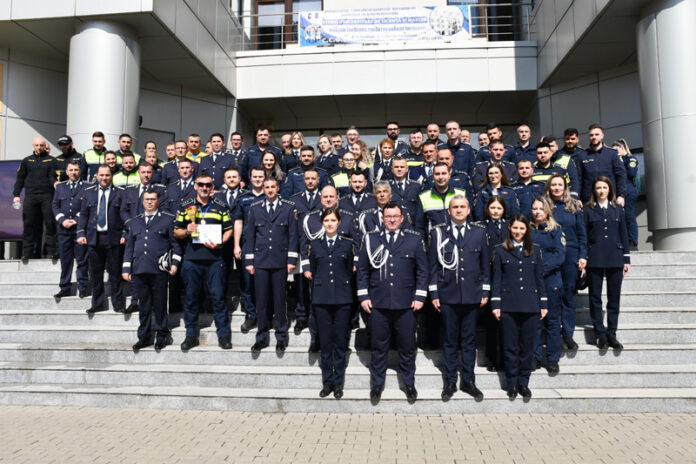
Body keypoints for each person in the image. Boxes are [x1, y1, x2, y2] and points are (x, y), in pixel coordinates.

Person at [357, 202, 428, 401]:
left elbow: (423, 271)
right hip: (378, 303)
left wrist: (419, 296)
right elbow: (362, 270)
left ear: (402, 218)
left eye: (396, 216)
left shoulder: (414, 239)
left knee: (407, 347)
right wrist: (364, 296)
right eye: (388, 216)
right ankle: (377, 384)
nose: (392, 220)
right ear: (382, 219)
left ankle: (409, 384)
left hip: (406, 304)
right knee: (378, 348)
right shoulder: (370, 239)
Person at [428, 195, 490, 401]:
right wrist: (434, 293)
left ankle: (469, 381)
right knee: (450, 339)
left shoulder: (479, 233)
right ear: (449, 211)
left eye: (463, 207)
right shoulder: (438, 233)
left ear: (469, 210)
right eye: (455, 207)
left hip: (472, 294)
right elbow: (433, 266)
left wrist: (485, 291)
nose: (459, 210)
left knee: (469, 340)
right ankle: (450, 381)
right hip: (448, 294)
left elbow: (484, 265)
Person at [173, 173, 234, 351]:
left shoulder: (220, 206)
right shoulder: (186, 206)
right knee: (192, 299)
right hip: (192, 259)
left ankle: (224, 336)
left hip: (215, 259)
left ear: (212, 187)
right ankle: (191, 335)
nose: (204, 188)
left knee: (219, 298)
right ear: (195, 186)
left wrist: (220, 242)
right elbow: (176, 231)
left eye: (208, 185)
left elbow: (229, 229)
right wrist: (187, 230)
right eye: (201, 184)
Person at [491, 213, 548, 400]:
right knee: (509, 347)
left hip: (530, 305)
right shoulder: (500, 250)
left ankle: (524, 383)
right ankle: (512, 383)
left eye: (522, 228)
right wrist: (496, 303)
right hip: (508, 304)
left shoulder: (535, 250)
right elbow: (497, 279)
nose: (518, 231)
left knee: (527, 347)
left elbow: (539, 278)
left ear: (527, 230)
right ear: (509, 228)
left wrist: (543, 303)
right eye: (515, 227)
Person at [244, 177, 299, 352]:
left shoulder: (288, 208)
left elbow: (293, 236)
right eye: (266, 187)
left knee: (279, 301)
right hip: (260, 261)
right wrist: (249, 261)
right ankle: (261, 337)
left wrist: (291, 260)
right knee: (261, 302)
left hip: (280, 261)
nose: (269, 190)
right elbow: (250, 236)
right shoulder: (255, 208)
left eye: (272, 187)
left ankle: (281, 336)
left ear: (278, 188)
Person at [122, 190, 181, 351]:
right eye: (147, 199)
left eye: (153, 199)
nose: (149, 202)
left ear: (158, 201)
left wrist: (175, 263)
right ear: (142, 202)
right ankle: (144, 337)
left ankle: (162, 335)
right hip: (139, 269)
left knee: (160, 305)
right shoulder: (134, 222)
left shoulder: (167, 220)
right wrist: (126, 268)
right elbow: (129, 247)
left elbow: (175, 245)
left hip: (158, 270)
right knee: (144, 306)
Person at [305, 208, 354, 399]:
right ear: (322, 223)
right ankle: (328, 382)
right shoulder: (315, 245)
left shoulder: (347, 244)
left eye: (333, 220)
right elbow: (314, 269)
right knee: (325, 343)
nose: (330, 224)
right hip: (322, 299)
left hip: (342, 299)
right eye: (326, 221)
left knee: (340, 343)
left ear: (339, 222)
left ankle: (338, 383)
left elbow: (348, 270)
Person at [583, 176, 631, 350]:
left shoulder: (617, 209)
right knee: (595, 297)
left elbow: (623, 233)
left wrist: (626, 258)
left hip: (615, 257)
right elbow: (584, 235)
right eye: (598, 188)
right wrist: (584, 257)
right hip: (594, 257)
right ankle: (600, 334)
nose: (601, 191)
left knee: (614, 298)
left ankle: (612, 334)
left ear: (610, 190)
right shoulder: (588, 210)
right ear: (594, 190)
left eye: (604, 187)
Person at [544, 174, 587, 350]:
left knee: (568, 295)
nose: (556, 188)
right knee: (552, 294)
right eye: (553, 185)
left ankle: (568, 334)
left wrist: (583, 256)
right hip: (551, 255)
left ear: (565, 187)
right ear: (549, 187)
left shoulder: (573, 206)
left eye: (559, 185)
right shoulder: (544, 206)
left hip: (571, 254)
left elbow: (582, 233)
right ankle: (552, 332)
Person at [76, 165, 127, 313]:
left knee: (115, 273)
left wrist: (125, 234)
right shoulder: (88, 193)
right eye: (102, 175)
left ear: (112, 176)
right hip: (94, 237)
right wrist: (80, 233)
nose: (104, 178)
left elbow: (124, 214)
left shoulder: (120, 193)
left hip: (114, 238)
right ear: (97, 176)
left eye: (107, 175)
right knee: (95, 273)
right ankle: (97, 303)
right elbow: (84, 214)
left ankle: (118, 304)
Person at [530, 197, 566, 374]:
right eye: (535, 208)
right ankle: (535, 357)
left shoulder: (555, 230)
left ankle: (552, 359)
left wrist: (541, 270)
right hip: (531, 282)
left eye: (541, 209)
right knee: (535, 321)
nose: (537, 212)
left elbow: (559, 255)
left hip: (550, 281)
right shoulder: (527, 230)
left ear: (547, 211)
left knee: (552, 321)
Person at [476, 195, 508, 371]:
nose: (495, 211)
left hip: (505, 275)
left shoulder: (509, 226)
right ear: (487, 209)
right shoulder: (480, 227)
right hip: (487, 274)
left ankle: (504, 357)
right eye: (492, 208)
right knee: (491, 322)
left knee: (505, 322)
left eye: (499, 208)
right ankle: (491, 358)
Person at [233, 166, 267, 333]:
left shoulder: (271, 196)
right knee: (248, 282)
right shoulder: (243, 198)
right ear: (250, 178)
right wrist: (236, 244)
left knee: (265, 281)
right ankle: (251, 315)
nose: (258, 179)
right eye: (255, 176)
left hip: (267, 245)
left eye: (261, 176)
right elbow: (238, 222)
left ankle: (265, 315)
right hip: (248, 244)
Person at [13, 136, 58, 261]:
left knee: (50, 223)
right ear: (33, 146)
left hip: (47, 196)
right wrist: (16, 195)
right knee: (29, 224)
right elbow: (20, 179)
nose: (39, 148)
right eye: (37, 145)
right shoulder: (27, 161)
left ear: (45, 146)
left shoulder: (51, 160)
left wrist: (55, 183)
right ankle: (28, 253)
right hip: (31, 196)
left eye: (41, 145)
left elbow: (52, 176)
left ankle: (51, 252)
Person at [52, 161, 89, 299]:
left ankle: (83, 287)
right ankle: (65, 287)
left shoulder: (86, 186)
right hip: (64, 229)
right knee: (65, 260)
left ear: (80, 171)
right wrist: (62, 220)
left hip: (80, 228)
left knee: (82, 259)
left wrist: (77, 219)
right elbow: (55, 206)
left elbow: (87, 205)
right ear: (66, 172)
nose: (73, 172)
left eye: (76, 170)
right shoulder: (60, 187)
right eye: (71, 170)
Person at [414, 162, 469, 237]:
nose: (440, 177)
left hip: (458, 240)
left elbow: (469, 220)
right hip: (435, 241)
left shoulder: (461, 194)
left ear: (449, 175)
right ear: (433, 176)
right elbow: (419, 227)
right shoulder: (424, 197)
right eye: (437, 174)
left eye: (444, 173)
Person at [577, 124, 627, 205]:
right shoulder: (582, 156)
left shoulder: (612, 154)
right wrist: (577, 198)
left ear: (602, 136)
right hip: (588, 199)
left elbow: (621, 175)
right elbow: (578, 179)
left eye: (597, 134)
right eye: (591, 135)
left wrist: (621, 195)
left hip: (610, 198)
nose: (594, 137)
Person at [612, 138, 639, 246]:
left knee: (629, 215)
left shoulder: (630, 158)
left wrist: (621, 161)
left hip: (628, 190)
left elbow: (632, 173)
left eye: (616, 150)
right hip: (618, 190)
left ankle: (632, 240)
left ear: (621, 148)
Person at [388, 156, 421, 221]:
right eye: (396, 167)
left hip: (412, 225)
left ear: (407, 169)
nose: (399, 169)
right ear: (392, 169)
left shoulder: (416, 186)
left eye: (402, 167)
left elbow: (420, 211)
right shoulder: (386, 187)